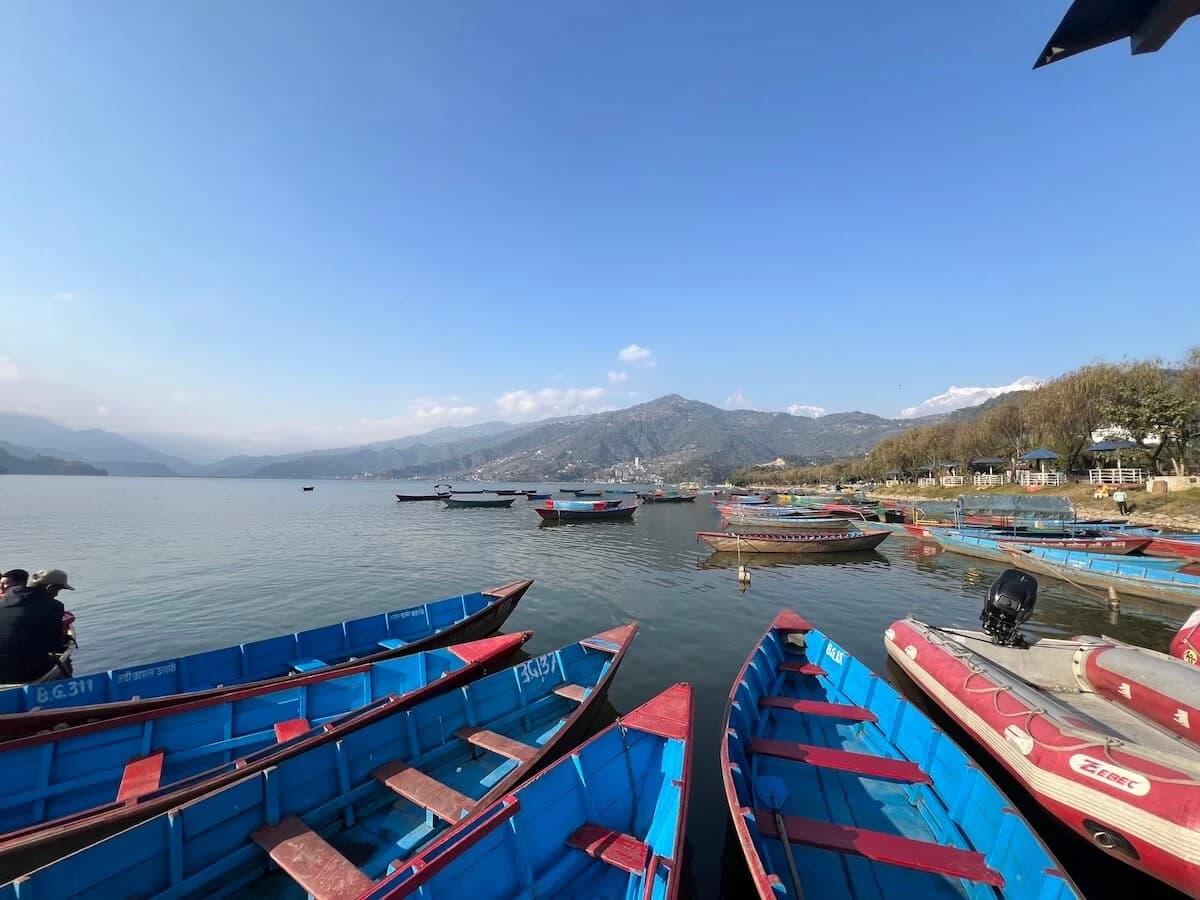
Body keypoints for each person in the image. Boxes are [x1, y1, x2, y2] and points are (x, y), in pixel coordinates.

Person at [0, 568, 72, 683]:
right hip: (22, 673)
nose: (57, 594)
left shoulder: (4, 599)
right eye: (58, 590)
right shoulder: (53, 606)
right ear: (49, 587)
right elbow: (54, 645)